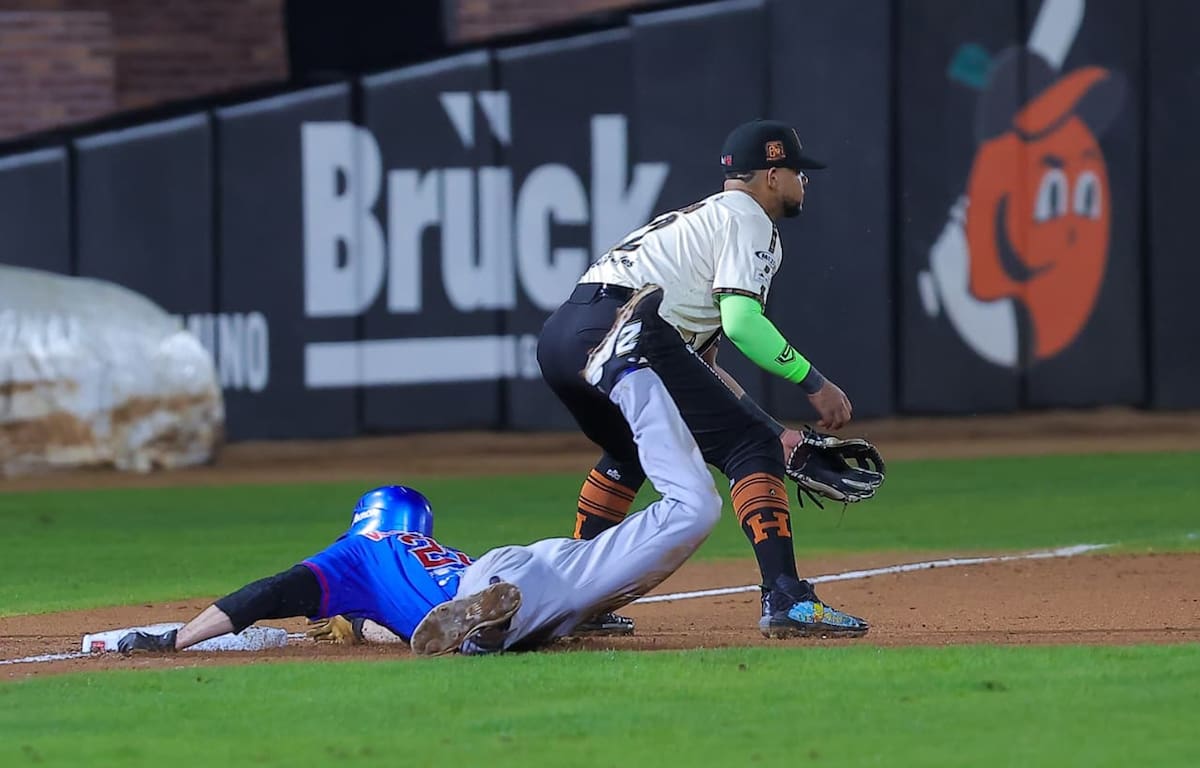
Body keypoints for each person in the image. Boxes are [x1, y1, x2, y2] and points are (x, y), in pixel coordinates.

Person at [120, 288, 733, 656]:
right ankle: (629, 372)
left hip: (495, 588)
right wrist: (360, 623)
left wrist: (177, 639)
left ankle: (493, 627)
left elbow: (262, 597)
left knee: (495, 622)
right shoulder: (435, 549)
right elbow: (398, 622)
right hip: (522, 562)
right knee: (697, 508)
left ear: (363, 519)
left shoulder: (352, 555)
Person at [537, 119, 869, 638]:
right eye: (798, 172)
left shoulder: (700, 222)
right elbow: (741, 323)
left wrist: (776, 431)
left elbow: (704, 370)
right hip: (625, 329)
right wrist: (814, 383)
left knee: (631, 449)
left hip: (564, 335)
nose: (804, 182)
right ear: (773, 174)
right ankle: (786, 596)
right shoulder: (748, 218)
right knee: (749, 450)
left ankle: (575, 598)